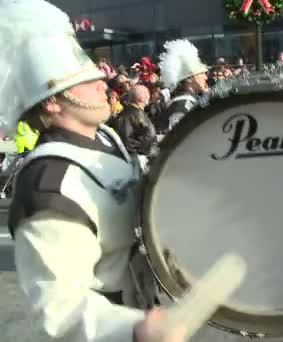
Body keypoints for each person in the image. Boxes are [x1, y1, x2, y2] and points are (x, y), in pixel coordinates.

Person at [0, 0, 186, 340]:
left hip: (144, 305)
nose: (104, 84)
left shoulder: (105, 135)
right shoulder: (49, 185)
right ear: (52, 102)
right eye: (87, 81)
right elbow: (60, 306)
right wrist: (133, 330)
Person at [158, 39, 209, 133]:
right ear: (189, 79)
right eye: (201, 73)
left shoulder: (190, 102)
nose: (206, 77)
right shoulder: (181, 107)